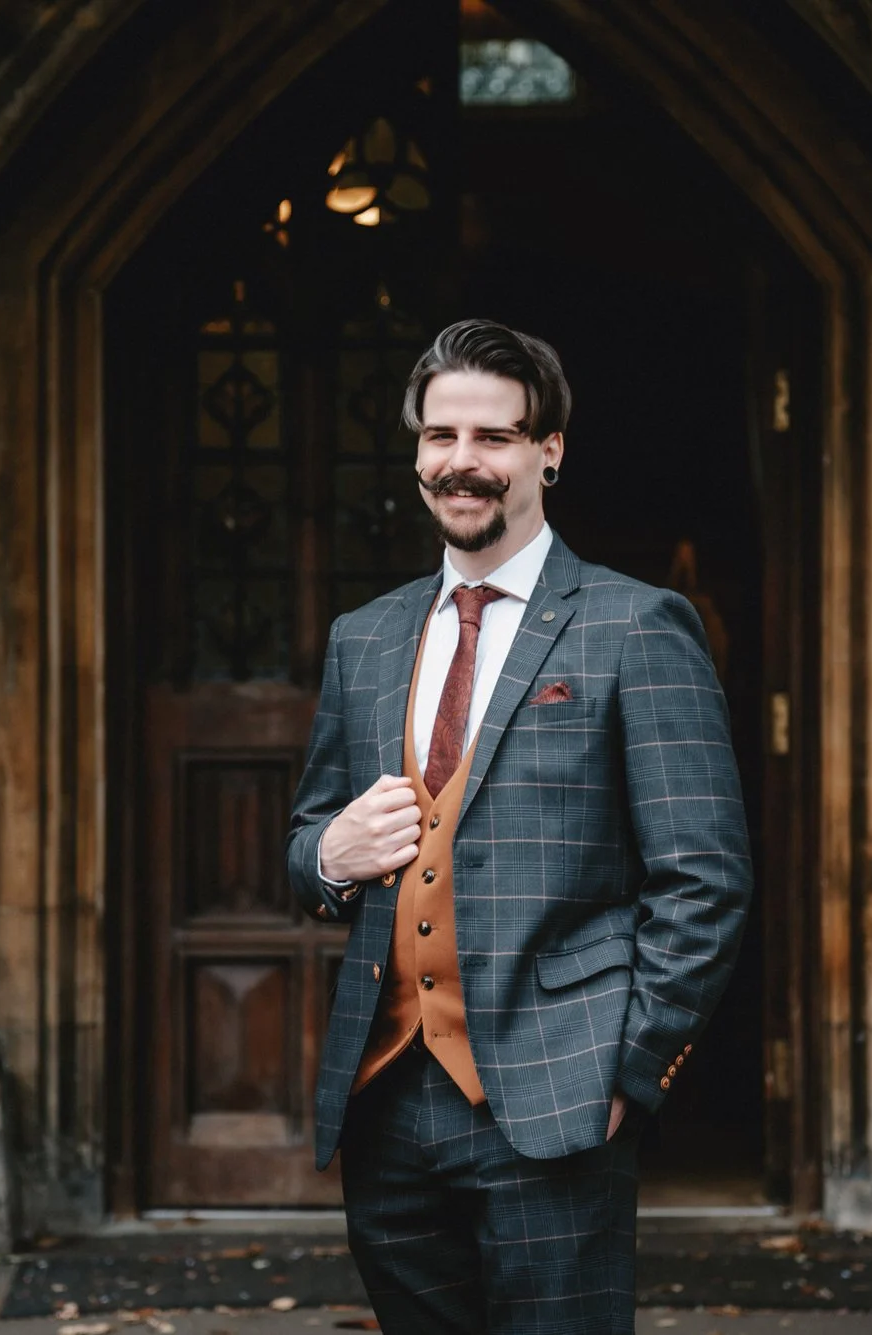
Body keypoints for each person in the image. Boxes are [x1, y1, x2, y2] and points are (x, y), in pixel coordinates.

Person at [287, 318, 753, 1332]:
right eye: (440, 436)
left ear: (549, 451)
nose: (462, 462)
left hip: (558, 1096)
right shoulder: (365, 637)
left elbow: (704, 878)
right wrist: (326, 854)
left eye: (493, 437)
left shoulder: (635, 625)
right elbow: (309, 837)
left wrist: (631, 1071)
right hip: (384, 1099)